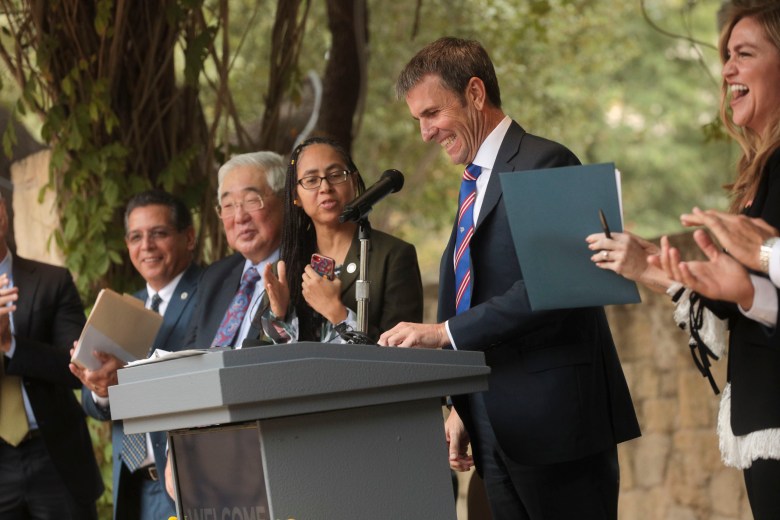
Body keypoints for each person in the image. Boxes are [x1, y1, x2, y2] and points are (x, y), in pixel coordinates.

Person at [378, 37, 640, 520]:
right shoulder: (471, 181)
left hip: (558, 428)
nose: (425, 133)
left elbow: (564, 289)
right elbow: (474, 289)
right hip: (491, 427)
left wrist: (441, 335)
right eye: (418, 119)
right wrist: (461, 405)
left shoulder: (549, 160)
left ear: (475, 93)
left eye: (432, 113)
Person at [586, 3, 780, 517]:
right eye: (725, 56)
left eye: (744, 54)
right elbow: (750, 305)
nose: (728, 70)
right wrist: (652, 268)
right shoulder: (758, 171)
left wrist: (756, 262)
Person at [69, 190, 201, 520]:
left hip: (186, 483)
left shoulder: (212, 293)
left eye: (159, 233)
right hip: (133, 487)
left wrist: (128, 379)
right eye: (136, 237)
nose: (146, 246)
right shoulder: (126, 304)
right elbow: (93, 404)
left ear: (188, 237)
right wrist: (101, 389)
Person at [0, 191, 103, 518]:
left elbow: (75, 366)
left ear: (2, 213)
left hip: (54, 455)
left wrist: (8, 343)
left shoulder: (51, 281)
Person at [261, 136, 423, 343]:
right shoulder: (285, 266)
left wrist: (338, 314)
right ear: (296, 196)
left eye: (336, 175)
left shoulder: (394, 256)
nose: (325, 187)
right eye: (311, 180)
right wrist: (279, 314)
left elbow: (403, 353)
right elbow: (266, 361)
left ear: (354, 181)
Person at [183, 151, 285, 349]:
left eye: (251, 200)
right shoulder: (214, 277)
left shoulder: (306, 272)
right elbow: (186, 358)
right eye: (228, 205)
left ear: (285, 202)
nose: (239, 217)